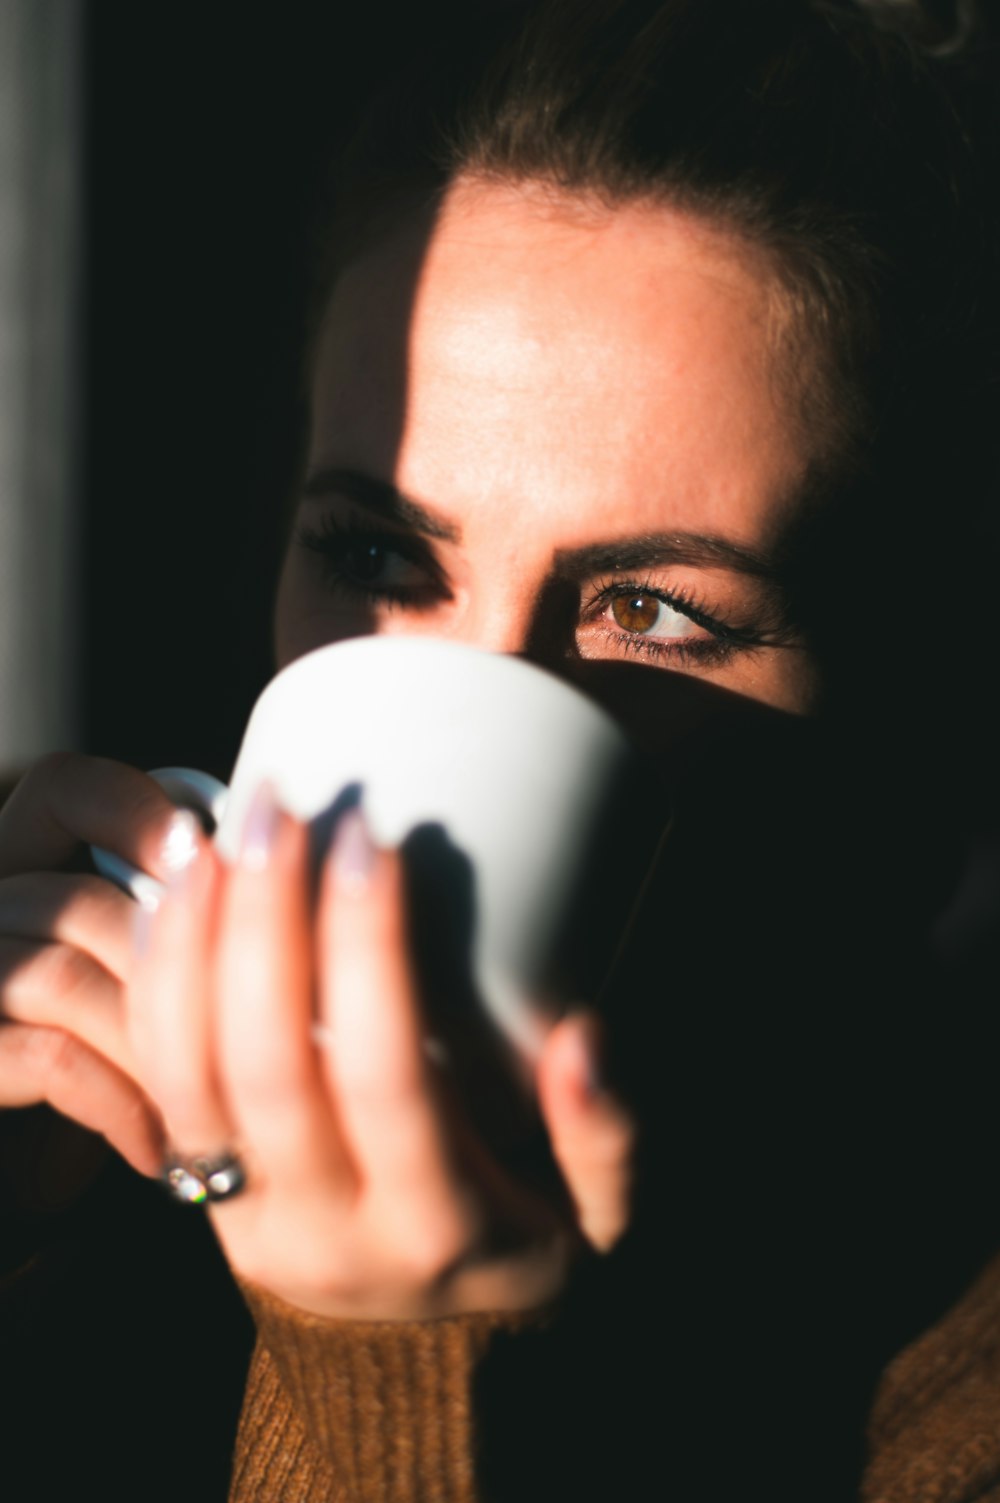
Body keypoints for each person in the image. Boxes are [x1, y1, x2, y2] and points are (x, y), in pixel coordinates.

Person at [1, 2, 998, 1498]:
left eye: (651, 611)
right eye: (383, 554)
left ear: (908, 681)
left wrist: (388, 1376)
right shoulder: (81, 1204)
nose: (481, 687)